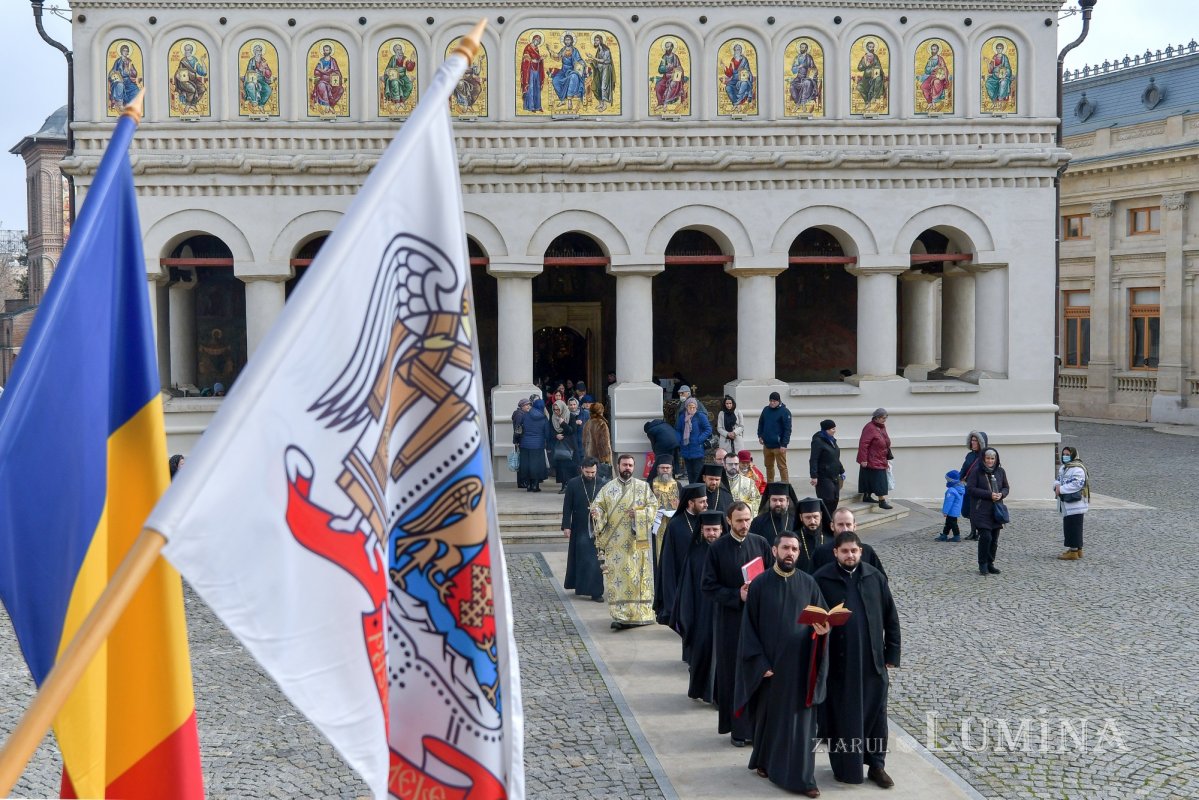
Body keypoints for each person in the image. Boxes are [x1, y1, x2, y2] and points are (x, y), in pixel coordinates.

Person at [735, 530, 830, 797]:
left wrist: (823, 633)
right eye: (786, 548)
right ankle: (765, 761)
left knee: (801, 726)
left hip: (801, 668)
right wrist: (760, 663)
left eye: (795, 549)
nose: (790, 553)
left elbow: (822, 620)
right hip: (771, 667)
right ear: (774, 551)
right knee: (770, 720)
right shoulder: (761, 584)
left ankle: (803, 779)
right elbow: (748, 629)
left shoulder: (809, 584)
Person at [813, 531, 901, 789]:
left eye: (854, 551)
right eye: (845, 551)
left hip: (872, 662)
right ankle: (844, 767)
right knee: (843, 717)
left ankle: (877, 765)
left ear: (861, 552)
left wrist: (891, 654)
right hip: (839, 664)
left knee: (876, 717)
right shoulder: (821, 579)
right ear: (835, 553)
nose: (850, 555)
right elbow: (812, 617)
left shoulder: (875, 578)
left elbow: (891, 618)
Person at [702, 501, 772, 746]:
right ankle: (738, 730)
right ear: (729, 521)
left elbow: (771, 578)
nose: (745, 525)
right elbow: (708, 587)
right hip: (730, 621)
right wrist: (736, 595)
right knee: (733, 674)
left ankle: (757, 727)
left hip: (758, 621)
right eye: (740, 521)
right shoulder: (718, 548)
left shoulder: (760, 543)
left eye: (748, 520)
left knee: (757, 672)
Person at [591, 454, 659, 630]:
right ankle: (620, 615)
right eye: (624, 465)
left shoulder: (643, 487)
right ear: (618, 466)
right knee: (618, 579)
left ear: (634, 467)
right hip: (616, 544)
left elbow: (653, 507)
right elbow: (598, 506)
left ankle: (640, 614)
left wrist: (638, 515)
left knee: (637, 578)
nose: (627, 468)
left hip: (637, 544)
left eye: (630, 465)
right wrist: (596, 513)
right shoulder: (608, 488)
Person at [672, 510, 724, 703]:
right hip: (701, 614)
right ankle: (703, 692)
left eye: (715, 530)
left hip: (724, 613)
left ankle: (720, 697)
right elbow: (685, 589)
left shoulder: (726, 551)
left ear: (722, 530)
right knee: (702, 655)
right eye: (708, 530)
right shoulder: (694, 555)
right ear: (701, 530)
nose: (712, 534)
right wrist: (686, 617)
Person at [656, 483, 706, 629]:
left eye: (706, 501)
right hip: (682, 577)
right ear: (690, 503)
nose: (705, 504)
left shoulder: (706, 521)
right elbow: (668, 561)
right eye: (701, 501)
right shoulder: (675, 525)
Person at [562, 458, 607, 602]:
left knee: (596, 560)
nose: (591, 475)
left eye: (593, 472)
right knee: (581, 558)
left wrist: (600, 513)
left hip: (598, 527)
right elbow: (567, 506)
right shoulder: (573, 484)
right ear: (582, 469)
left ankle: (596, 592)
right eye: (587, 472)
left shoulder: (603, 484)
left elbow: (608, 506)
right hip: (579, 526)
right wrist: (566, 526)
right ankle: (581, 587)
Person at [966, 447, 1010, 576]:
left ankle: (990, 563)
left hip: (996, 510)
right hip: (981, 510)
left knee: (994, 539)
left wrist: (1001, 494)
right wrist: (989, 494)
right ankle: (983, 564)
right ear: (983, 459)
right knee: (986, 536)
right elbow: (971, 489)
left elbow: (1006, 487)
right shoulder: (976, 472)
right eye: (988, 458)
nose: (990, 461)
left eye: (992, 458)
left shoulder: (1000, 471)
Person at [812, 507, 887, 577]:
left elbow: (881, 580)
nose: (845, 529)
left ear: (854, 526)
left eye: (848, 525)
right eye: (840, 525)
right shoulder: (821, 552)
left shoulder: (867, 551)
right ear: (832, 526)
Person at [809, 418, 844, 536]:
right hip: (823, 476)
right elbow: (813, 459)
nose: (835, 431)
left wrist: (842, 470)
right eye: (832, 429)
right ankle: (825, 526)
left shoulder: (832, 441)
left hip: (834, 475)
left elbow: (835, 457)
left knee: (835, 499)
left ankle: (831, 524)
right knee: (827, 500)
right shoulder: (818, 441)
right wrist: (814, 476)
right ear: (826, 430)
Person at [1055, 445, 1089, 560]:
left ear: (1073, 455)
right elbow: (1058, 480)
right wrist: (1056, 486)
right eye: (1064, 454)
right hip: (1066, 503)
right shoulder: (1064, 468)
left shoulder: (1078, 469)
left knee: (1073, 527)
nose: (1065, 457)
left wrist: (1061, 489)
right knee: (1070, 526)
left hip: (1075, 503)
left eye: (1067, 455)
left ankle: (1073, 552)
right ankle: (1077, 549)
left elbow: (1077, 484)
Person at [856, 408, 893, 510]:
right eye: (883, 418)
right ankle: (882, 501)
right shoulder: (870, 428)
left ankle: (867, 496)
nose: (885, 420)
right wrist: (863, 459)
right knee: (879, 481)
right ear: (876, 418)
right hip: (873, 458)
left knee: (869, 478)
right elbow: (863, 444)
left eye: (886, 418)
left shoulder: (880, 427)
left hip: (880, 457)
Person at [959, 431, 989, 540]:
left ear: (981, 442)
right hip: (969, 487)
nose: (973, 442)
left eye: (976, 440)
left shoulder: (986, 456)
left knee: (979, 511)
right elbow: (963, 469)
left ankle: (981, 532)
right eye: (972, 440)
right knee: (970, 510)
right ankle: (973, 532)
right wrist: (957, 480)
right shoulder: (969, 455)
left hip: (981, 488)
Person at [757, 392, 792, 483]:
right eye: (771, 401)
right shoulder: (766, 410)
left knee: (782, 466)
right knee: (768, 466)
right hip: (767, 444)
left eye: (774, 401)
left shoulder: (785, 412)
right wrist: (760, 435)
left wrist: (784, 444)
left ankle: (785, 485)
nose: (772, 403)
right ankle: (770, 484)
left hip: (779, 445)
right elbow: (761, 423)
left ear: (779, 401)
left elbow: (787, 429)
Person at [750, 481, 798, 546]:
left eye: (781, 500)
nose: (778, 503)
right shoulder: (758, 522)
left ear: (788, 502)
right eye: (774, 500)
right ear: (769, 501)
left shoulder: (796, 522)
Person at [676, 397, 711, 482]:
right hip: (686, 448)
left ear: (696, 407)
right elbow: (678, 430)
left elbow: (708, 429)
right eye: (689, 407)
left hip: (697, 448)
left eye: (693, 407)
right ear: (686, 407)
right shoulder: (682, 417)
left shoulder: (700, 416)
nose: (691, 409)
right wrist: (680, 441)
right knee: (690, 473)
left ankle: (698, 491)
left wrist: (699, 439)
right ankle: (691, 491)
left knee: (697, 473)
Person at [517, 398, 550, 492]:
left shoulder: (525, 415)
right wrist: (547, 444)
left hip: (525, 444)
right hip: (538, 445)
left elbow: (519, 429)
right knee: (536, 465)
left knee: (527, 465)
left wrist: (517, 440)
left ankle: (528, 485)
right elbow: (547, 433)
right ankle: (535, 485)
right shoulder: (543, 418)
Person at [550, 33, 587, 113]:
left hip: (572, 70)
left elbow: (579, 59)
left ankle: (569, 100)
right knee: (555, 80)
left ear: (572, 41)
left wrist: (582, 63)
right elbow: (557, 57)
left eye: (569, 39)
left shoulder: (574, 50)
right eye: (566, 40)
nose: (567, 41)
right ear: (564, 41)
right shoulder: (563, 49)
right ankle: (562, 99)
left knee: (573, 76)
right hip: (563, 71)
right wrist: (550, 51)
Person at [793, 497, 827, 575]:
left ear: (821, 515)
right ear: (801, 517)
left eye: (815, 517)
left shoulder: (831, 538)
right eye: (808, 517)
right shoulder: (794, 539)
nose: (812, 521)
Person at [551, 398, 577, 492]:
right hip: (559, 445)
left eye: (557, 409)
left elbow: (572, 431)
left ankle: (569, 486)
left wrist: (563, 423)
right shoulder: (553, 417)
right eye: (554, 409)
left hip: (569, 445)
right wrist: (555, 435)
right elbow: (550, 431)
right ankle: (563, 485)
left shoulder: (571, 416)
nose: (556, 411)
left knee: (569, 466)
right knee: (561, 467)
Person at [173, 42, 208, 110]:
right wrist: (178, 77)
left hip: (193, 80)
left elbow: (203, 73)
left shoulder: (195, 61)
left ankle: (193, 103)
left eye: (188, 50)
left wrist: (202, 61)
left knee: (202, 89)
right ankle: (188, 104)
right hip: (183, 81)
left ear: (191, 51)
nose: (186, 51)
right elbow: (178, 72)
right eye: (185, 50)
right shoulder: (183, 61)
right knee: (192, 89)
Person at [653, 40, 687, 109]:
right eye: (666, 47)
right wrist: (666, 67)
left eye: (668, 47)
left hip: (675, 77)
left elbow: (679, 68)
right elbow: (660, 70)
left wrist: (674, 69)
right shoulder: (664, 57)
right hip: (665, 78)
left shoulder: (675, 57)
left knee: (672, 84)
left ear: (671, 48)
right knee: (658, 85)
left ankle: (666, 102)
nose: (666, 49)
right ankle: (660, 103)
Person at [309, 43, 343, 112]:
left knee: (340, 89)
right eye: (324, 50)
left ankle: (331, 105)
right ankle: (327, 105)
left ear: (330, 51)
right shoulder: (321, 61)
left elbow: (337, 71)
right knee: (322, 86)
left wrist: (329, 72)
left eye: (327, 50)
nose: (325, 52)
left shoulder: (333, 61)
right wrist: (320, 71)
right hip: (322, 80)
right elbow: (316, 72)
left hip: (332, 81)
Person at [583, 401, 612, 479]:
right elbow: (603, 444)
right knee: (603, 482)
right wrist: (605, 459)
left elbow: (584, 442)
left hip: (589, 457)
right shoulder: (601, 424)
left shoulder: (587, 423)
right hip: (600, 458)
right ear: (601, 411)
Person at [855, 40, 887, 110]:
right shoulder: (864, 58)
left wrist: (874, 68)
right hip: (866, 78)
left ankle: (874, 97)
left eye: (872, 47)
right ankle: (867, 102)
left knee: (878, 79)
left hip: (875, 76)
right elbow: (859, 68)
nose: (871, 48)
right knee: (859, 87)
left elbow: (879, 67)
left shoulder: (875, 57)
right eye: (870, 47)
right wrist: (866, 65)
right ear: (867, 47)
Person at [382, 42, 416, 106]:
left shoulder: (405, 58)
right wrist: (388, 71)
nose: (399, 51)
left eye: (400, 49)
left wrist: (411, 61)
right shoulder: (393, 58)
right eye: (397, 50)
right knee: (395, 83)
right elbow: (388, 68)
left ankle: (402, 100)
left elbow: (409, 68)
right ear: (395, 51)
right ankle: (397, 101)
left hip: (403, 76)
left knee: (409, 85)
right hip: (394, 76)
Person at [108, 44, 141, 112]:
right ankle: (120, 104)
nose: (125, 52)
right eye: (124, 51)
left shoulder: (129, 61)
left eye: (126, 51)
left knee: (135, 89)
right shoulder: (118, 61)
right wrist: (114, 76)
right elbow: (113, 71)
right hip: (119, 80)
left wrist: (130, 70)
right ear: (121, 52)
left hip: (128, 80)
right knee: (120, 85)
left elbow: (135, 73)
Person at [789, 41, 820, 109]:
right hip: (799, 77)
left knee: (806, 83)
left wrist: (810, 75)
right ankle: (798, 102)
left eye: (803, 48)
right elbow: (793, 70)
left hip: (808, 78)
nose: (801, 49)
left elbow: (814, 68)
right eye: (800, 48)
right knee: (792, 86)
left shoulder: (809, 57)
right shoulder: (797, 58)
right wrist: (799, 67)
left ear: (806, 49)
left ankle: (803, 102)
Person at [722, 43, 755, 107]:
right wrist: (724, 67)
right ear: (734, 51)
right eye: (735, 50)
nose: (737, 51)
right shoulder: (733, 60)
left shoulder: (744, 60)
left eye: (738, 49)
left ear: (741, 51)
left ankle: (737, 103)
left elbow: (748, 70)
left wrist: (743, 71)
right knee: (728, 87)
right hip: (734, 80)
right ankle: (735, 102)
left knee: (744, 84)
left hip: (742, 79)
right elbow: (730, 73)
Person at [242, 43, 273, 110]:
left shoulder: (263, 61)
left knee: (268, 90)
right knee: (250, 85)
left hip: (261, 80)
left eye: (260, 51)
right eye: (257, 51)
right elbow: (249, 72)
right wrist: (256, 71)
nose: (259, 52)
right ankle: (254, 101)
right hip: (251, 79)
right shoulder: (251, 61)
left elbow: (269, 74)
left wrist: (265, 69)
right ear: (254, 52)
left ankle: (261, 104)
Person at [919, 42, 950, 107]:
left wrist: (943, 75)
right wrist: (933, 68)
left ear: (937, 50)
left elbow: (944, 68)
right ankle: (929, 102)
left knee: (936, 82)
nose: (933, 51)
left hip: (939, 76)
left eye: (934, 49)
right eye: (932, 49)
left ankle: (934, 100)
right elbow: (926, 70)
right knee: (923, 86)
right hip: (932, 76)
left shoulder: (940, 59)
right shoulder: (930, 59)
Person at [938, 469, 965, 542]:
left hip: (951, 511)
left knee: (952, 524)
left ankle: (956, 536)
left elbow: (948, 502)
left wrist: (945, 511)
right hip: (956, 511)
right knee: (949, 523)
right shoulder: (960, 489)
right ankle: (944, 534)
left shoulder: (951, 491)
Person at [520, 34, 545, 112]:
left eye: (539, 41)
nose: (537, 42)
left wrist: (540, 59)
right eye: (537, 40)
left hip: (537, 69)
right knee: (530, 87)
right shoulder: (528, 48)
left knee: (537, 87)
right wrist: (532, 60)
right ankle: (531, 107)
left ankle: (538, 106)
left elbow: (537, 58)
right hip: (529, 70)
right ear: (533, 39)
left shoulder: (537, 49)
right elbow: (525, 58)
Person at [590, 34, 615, 111]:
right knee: (596, 86)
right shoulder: (599, 50)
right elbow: (597, 63)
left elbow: (604, 60)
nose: (595, 42)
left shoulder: (606, 50)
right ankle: (600, 103)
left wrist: (593, 58)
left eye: (597, 40)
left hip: (606, 70)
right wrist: (591, 61)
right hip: (599, 70)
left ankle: (604, 105)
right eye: (594, 40)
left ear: (600, 41)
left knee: (603, 87)